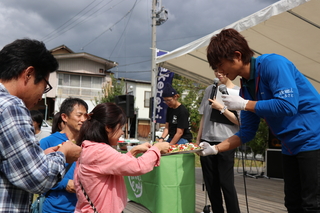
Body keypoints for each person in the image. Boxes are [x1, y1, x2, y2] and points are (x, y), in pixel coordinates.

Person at [200, 28, 320, 213]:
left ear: (237, 55)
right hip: (289, 146)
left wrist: (246, 104)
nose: (219, 71)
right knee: (293, 204)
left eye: (220, 65)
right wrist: (215, 149)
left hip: (313, 140)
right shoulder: (246, 87)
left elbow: (288, 106)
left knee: (311, 205)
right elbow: (247, 132)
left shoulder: (273, 64)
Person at [0, 38, 81, 213]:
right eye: (45, 86)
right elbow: (37, 178)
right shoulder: (11, 106)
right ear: (28, 74)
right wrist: (63, 153)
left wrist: (41, 157)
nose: (41, 96)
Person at [74, 102, 169, 213]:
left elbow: (113, 166)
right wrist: (156, 148)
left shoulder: (89, 147)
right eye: (120, 128)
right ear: (108, 127)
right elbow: (138, 166)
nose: (122, 132)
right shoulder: (100, 151)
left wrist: (134, 151)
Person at [196, 71, 240, 213]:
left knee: (226, 183)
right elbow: (204, 117)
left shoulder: (237, 92)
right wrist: (198, 139)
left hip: (226, 141)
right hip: (207, 140)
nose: (218, 73)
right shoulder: (210, 89)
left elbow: (239, 121)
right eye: (215, 69)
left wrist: (222, 108)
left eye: (221, 69)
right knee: (211, 183)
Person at [40, 98, 88, 213]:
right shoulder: (47, 142)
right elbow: (39, 176)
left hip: (84, 208)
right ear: (64, 117)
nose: (83, 119)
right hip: (54, 208)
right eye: (79, 115)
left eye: (85, 116)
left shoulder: (88, 143)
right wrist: (64, 184)